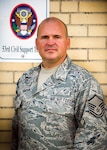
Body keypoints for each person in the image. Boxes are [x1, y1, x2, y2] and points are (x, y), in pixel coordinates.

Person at [11, 17, 107, 150]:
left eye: (57, 37)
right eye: (45, 37)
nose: (50, 42)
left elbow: (95, 139)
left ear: (67, 43)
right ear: (37, 43)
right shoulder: (25, 79)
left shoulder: (85, 83)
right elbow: (17, 130)